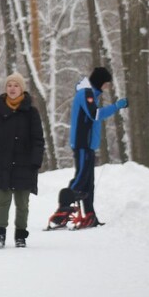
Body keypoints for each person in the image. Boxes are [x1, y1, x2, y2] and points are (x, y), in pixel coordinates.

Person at [54, 66, 127, 227]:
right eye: (106, 83)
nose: (107, 86)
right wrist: (116, 106)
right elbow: (95, 114)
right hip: (82, 144)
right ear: (100, 81)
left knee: (88, 183)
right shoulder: (86, 93)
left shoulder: (92, 94)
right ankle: (62, 211)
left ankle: (90, 215)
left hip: (88, 145)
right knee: (81, 178)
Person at [0, 73, 45, 248]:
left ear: (21, 89)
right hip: (2, 162)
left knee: (22, 202)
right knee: (2, 200)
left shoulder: (31, 112)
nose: (12, 88)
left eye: (16, 85)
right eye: (9, 85)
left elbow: (38, 139)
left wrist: (35, 160)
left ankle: (20, 235)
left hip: (25, 164)